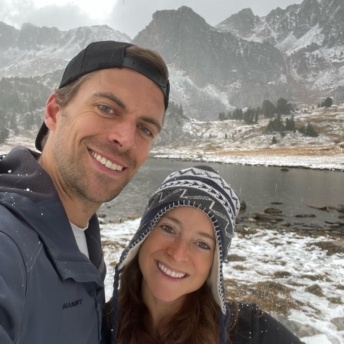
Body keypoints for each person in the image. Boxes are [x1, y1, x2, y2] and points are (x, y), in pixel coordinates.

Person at [0, 40, 169, 344]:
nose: (125, 138)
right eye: (106, 108)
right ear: (53, 111)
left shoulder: (81, 234)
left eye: (145, 129)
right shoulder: (9, 245)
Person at [103, 165, 305, 344]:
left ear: (214, 263)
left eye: (202, 244)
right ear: (143, 234)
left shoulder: (250, 331)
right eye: (168, 228)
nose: (178, 254)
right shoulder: (99, 324)